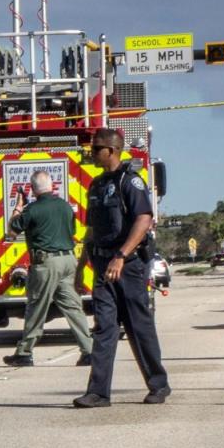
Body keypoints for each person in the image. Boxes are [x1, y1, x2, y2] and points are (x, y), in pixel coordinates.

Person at [72, 128, 169, 408]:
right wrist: (81, 268)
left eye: (95, 149)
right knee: (104, 328)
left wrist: (121, 256)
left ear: (111, 151)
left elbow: (143, 220)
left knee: (139, 327)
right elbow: (92, 229)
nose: (91, 154)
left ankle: (158, 385)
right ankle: (98, 393)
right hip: (103, 266)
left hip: (128, 266)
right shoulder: (97, 185)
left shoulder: (131, 182)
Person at [5, 170, 94, 368]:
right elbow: (71, 231)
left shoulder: (32, 210)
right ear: (52, 186)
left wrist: (19, 206)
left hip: (46, 263)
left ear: (33, 189)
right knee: (73, 307)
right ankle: (88, 350)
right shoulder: (65, 207)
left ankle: (24, 352)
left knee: (37, 307)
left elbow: (11, 231)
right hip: (68, 260)